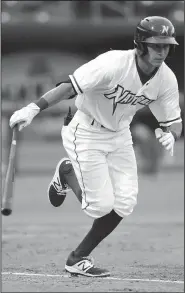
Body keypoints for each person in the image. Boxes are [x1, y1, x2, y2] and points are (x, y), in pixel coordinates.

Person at [9, 16, 182, 277]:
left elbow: (174, 122)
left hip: (120, 136)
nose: (162, 51)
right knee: (99, 207)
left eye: (166, 46)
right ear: (140, 44)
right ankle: (67, 172)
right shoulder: (113, 63)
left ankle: (77, 258)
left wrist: (173, 136)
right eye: (155, 45)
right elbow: (70, 86)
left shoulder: (166, 79)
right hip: (86, 131)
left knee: (125, 203)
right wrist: (33, 108)